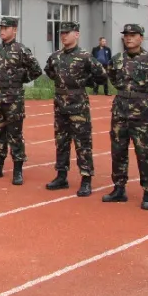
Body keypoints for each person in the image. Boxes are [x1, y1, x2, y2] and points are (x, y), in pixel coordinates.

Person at [103, 23, 148, 209]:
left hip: (141, 111)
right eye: (126, 35)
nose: (129, 38)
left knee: (144, 152)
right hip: (120, 109)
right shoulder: (116, 59)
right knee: (118, 150)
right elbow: (113, 78)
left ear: (141, 37)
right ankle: (119, 188)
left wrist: (143, 94)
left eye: (133, 35)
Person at [43, 21, 107, 197]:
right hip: (60, 104)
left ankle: (86, 179)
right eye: (62, 33)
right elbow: (49, 71)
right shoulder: (55, 56)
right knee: (61, 142)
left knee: (82, 143)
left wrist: (86, 82)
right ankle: (61, 176)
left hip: (78, 104)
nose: (64, 35)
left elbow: (101, 76)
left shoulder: (85, 57)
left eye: (67, 32)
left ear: (76, 34)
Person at [0, 17, 43, 186]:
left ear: (14, 30)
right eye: (1, 28)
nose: (2, 31)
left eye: (6, 28)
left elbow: (36, 70)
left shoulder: (21, 50)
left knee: (15, 135)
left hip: (13, 99)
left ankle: (17, 170)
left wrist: (21, 79)